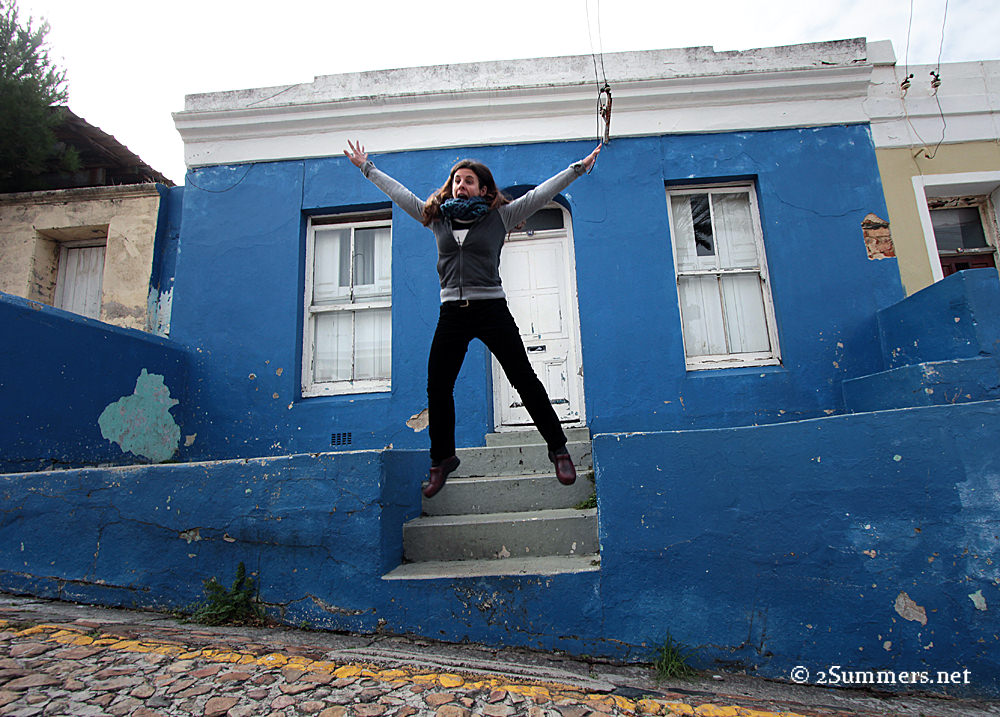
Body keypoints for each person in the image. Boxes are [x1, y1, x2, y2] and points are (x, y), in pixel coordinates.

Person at [344, 140, 602, 498]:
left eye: (468, 180)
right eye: (456, 180)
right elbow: (401, 194)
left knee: (524, 379)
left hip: (491, 309)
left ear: (483, 188)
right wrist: (366, 168)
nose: (460, 185)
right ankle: (442, 460)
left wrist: (577, 168)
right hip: (452, 313)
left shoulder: (500, 216)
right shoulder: (437, 218)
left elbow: (542, 194)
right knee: (438, 386)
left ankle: (558, 448)